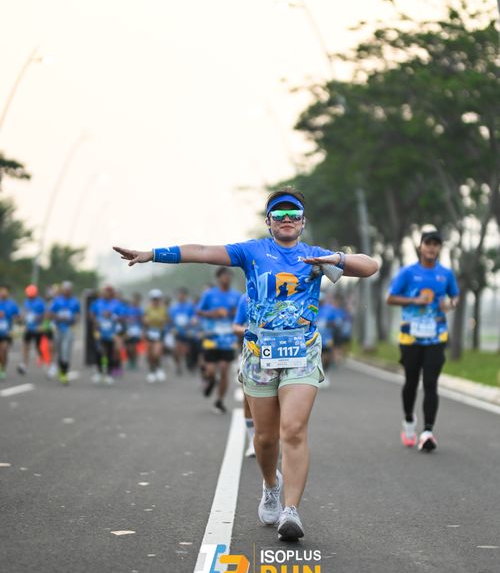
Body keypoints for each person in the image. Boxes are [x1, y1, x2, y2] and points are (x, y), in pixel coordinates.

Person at [113, 188, 378, 541]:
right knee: (265, 439)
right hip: (259, 352)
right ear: (268, 222)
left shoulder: (316, 256)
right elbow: (202, 252)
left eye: (293, 214)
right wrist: (153, 254)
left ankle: (291, 510)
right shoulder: (251, 252)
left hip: (301, 352)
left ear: (303, 222)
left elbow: (370, 266)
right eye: (279, 215)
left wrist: (337, 259)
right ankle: (271, 485)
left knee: (293, 430)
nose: (286, 220)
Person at [387, 230, 459, 452]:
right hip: (410, 337)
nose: (432, 248)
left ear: (439, 248)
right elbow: (390, 298)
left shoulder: (445, 274)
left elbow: (455, 295)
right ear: (421, 247)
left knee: (430, 383)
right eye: (428, 243)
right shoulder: (408, 273)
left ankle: (427, 432)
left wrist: (450, 304)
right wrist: (414, 300)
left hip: (436, 336)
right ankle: (409, 420)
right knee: (411, 382)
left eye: (436, 244)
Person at [197, 267, 241, 414]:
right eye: (224, 276)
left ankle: (219, 400)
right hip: (211, 337)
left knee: (224, 369)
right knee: (210, 371)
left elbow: (243, 314)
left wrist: (235, 313)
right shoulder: (209, 294)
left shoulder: (236, 296)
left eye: (229, 276)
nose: (227, 278)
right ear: (218, 278)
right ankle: (211, 380)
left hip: (228, 339)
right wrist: (213, 313)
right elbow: (199, 311)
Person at [233, 292, 256, 456]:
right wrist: (250, 330)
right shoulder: (246, 297)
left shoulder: (286, 290)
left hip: (281, 355)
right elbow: (235, 326)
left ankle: (275, 438)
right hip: (251, 352)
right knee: (248, 398)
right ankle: (253, 440)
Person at [49, 281, 81, 384]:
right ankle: (61, 369)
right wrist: (58, 318)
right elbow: (51, 313)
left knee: (65, 351)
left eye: (68, 289)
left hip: (69, 329)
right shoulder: (57, 300)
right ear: (63, 290)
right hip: (58, 329)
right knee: (59, 351)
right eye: (65, 289)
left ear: (71, 290)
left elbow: (78, 314)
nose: (67, 291)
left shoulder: (75, 301)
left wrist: (74, 320)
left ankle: (64, 373)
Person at [18, 284, 46, 375]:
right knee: (25, 346)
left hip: (38, 328)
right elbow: (24, 312)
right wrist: (22, 317)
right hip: (28, 328)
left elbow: (44, 314)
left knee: (38, 346)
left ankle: (41, 357)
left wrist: (39, 319)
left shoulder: (40, 302)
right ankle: (24, 364)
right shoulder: (26, 302)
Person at [169, 287, 196, 375]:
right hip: (177, 332)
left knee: (187, 351)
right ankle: (178, 366)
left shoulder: (190, 306)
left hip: (187, 332)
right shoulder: (173, 307)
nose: (181, 296)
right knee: (176, 350)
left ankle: (189, 364)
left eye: (182, 295)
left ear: (185, 296)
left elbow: (194, 318)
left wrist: (191, 325)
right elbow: (170, 320)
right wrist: (171, 329)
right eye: (179, 294)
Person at [144, 288, 168, 382]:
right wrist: (147, 321)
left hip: (159, 333)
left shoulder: (163, 308)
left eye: (157, 299)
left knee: (156, 353)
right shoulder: (148, 308)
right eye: (154, 299)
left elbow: (166, 320)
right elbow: (145, 320)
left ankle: (159, 369)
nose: (155, 301)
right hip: (150, 332)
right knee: (150, 354)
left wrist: (161, 320)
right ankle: (151, 371)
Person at [0, 284, 20, 380]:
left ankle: (3, 369)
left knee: (4, 350)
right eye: (2, 291)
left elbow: (18, 316)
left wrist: (16, 318)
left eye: (5, 291)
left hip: (7, 332)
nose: (3, 293)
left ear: (8, 293)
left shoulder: (12, 304)